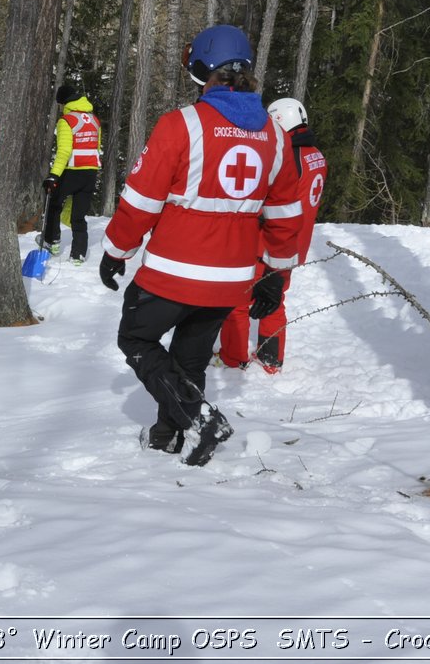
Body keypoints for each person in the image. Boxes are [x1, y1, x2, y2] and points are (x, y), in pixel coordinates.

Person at [98, 25, 304, 467]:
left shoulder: (182, 125)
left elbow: (141, 201)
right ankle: (166, 437)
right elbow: (287, 215)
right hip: (230, 280)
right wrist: (273, 273)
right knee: (189, 359)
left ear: (203, 69)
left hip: (174, 270)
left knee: (135, 338)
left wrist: (116, 250)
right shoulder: (275, 135)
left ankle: (200, 418)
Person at [218, 97, 326, 373]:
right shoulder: (316, 155)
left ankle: (233, 358)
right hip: (293, 245)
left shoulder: (288, 155)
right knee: (275, 299)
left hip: (269, 241)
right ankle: (271, 359)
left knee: (238, 299)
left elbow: (272, 200)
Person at [39, 83, 101, 264]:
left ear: (63, 102)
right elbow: (96, 147)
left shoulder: (67, 121)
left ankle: (52, 241)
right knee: (79, 216)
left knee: (53, 205)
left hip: (72, 172)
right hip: (90, 174)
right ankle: (78, 254)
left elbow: (64, 151)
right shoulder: (94, 119)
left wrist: (54, 175)